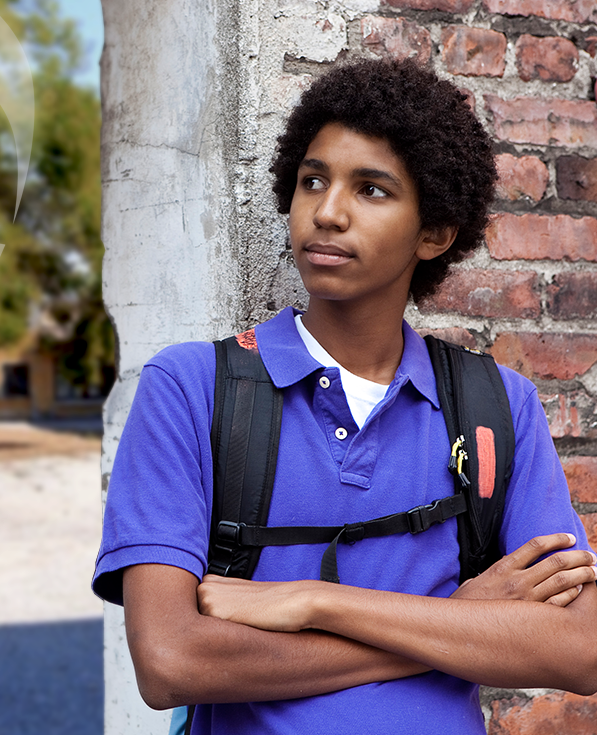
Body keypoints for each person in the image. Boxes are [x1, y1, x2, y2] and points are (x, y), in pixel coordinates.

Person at [92, 58, 597, 734]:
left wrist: (318, 602)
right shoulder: (191, 389)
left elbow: (580, 650)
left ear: (435, 233)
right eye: (312, 181)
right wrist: (459, 616)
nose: (327, 213)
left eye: (372, 190)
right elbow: (170, 660)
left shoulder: (497, 406)